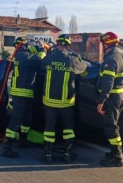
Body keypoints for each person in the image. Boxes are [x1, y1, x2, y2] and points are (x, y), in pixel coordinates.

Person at [40, 34, 87, 164]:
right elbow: (83, 67)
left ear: (58, 43)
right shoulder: (72, 60)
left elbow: (40, 66)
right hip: (66, 102)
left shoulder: (49, 59)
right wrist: (79, 58)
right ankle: (68, 154)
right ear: (68, 45)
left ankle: (48, 155)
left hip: (49, 102)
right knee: (68, 129)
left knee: (49, 129)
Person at [0, 37, 45, 158]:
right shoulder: (25, 56)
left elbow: (31, 56)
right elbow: (40, 59)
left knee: (27, 118)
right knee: (16, 119)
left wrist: (34, 47)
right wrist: (41, 48)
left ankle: (23, 140)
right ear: (23, 46)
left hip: (26, 92)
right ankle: (6, 146)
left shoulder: (20, 56)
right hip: (21, 93)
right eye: (26, 45)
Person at [96, 32, 123, 167]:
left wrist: (101, 101)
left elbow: (107, 84)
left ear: (107, 43)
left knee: (111, 127)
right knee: (114, 125)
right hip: (120, 96)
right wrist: (121, 84)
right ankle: (114, 153)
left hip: (111, 98)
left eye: (103, 44)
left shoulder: (110, 60)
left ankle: (117, 157)